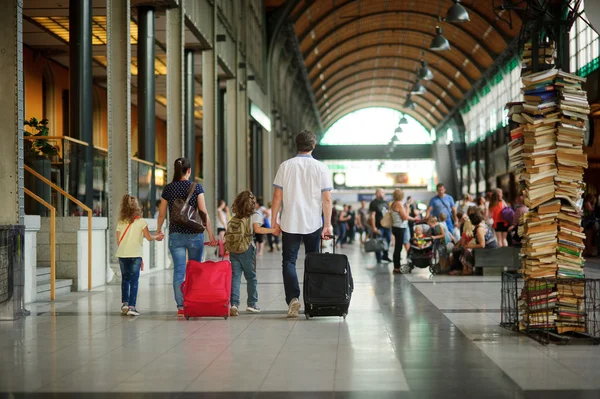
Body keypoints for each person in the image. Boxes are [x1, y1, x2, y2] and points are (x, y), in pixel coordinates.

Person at [271, 130, 333, 318]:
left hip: (290, 221)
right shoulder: (321, 168)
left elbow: (277, 196)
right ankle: (312, 300)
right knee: (312, 261)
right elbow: (327, 199)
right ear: (313, 145)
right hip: (313, 222)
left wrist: (273, 220)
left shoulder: (285, 166)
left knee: (289, 261)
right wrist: (327, 224)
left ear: (296, 145)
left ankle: (293, 299)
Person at [156, 157, 218, 317]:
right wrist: (210, 233)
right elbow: (203, 212)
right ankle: (194, 301)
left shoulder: (168, 189)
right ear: (189, 171)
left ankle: (181, 306)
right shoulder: (196, 187)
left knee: (178, 271)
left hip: (175, 235)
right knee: (195, 270)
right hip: (194, 235)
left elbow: (162, 213)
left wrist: (158, 230)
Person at [228, 190, 280, 316]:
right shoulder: (254, 215)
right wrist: (273, 230)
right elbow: (257, 229)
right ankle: (252, 304)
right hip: (247, 249)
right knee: (251, 277)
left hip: (234, 249)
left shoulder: (235, 215)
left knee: (235, 278)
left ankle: (234, 304)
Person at [116, 195, 164, 316]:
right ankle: (132, 306)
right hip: (135, 255)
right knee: (134, 281)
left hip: (122, 254)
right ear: (137, 207)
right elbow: (148, 237)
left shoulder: (121, 222)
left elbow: (118, 241)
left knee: (125, 279)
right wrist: (157, 237)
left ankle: (125, 304)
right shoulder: (141, 222)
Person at [369, 188, 392, 264]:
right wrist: (373, 227)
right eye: (382, 192)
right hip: (378, 226)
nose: (384, 193)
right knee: (378, 242)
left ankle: (385, 255)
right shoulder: (373, 203)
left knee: (388, 240)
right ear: (378, 193)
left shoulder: (385, 202)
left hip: (386, 226)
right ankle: (378, 258)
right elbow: (372, 216)